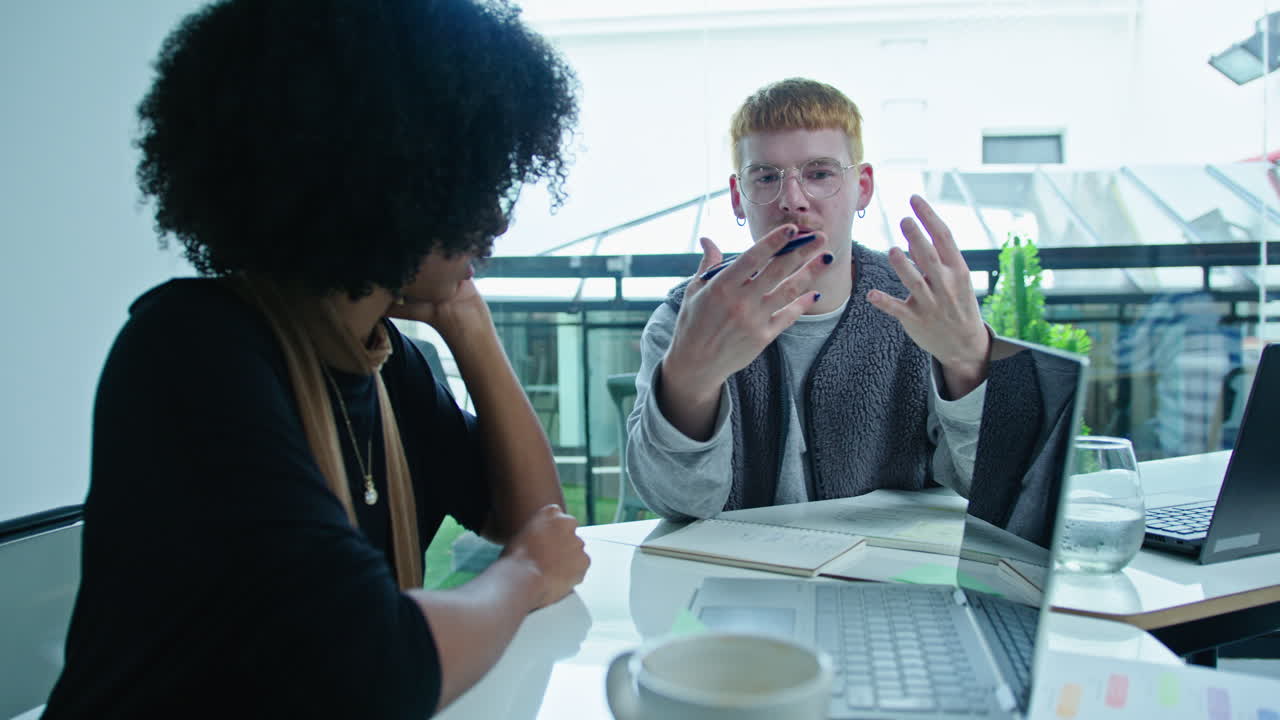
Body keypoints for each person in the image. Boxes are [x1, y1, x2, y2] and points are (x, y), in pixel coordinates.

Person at [42, 0, 587, 717]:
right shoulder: (192, 350)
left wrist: (473, 335)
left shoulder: (390, 368)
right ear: (390, 178)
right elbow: (374, 665)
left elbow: (539, 523)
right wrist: (520, 575)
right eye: (479, 182)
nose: (500, 217)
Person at [626, 78, 995, 521]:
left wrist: (970, 364)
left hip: (885, 577)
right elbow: (674, 505)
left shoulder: (924, 312)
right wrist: (688, 382)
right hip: (738, 578)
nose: (793, 200)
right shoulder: (688, 320)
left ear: (862, 187)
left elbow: (994, 486)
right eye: (765, 177)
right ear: (737, 198)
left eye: (819, 173)